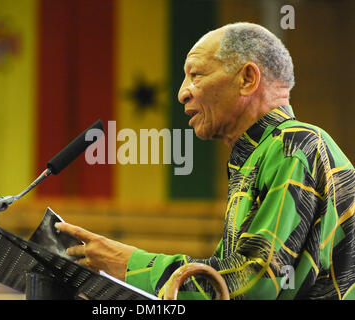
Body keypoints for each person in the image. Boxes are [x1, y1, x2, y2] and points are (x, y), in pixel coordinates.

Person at [55, 22, 355, 300]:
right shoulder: (258, 155)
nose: (182, 93)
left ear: (247, 79)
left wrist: (130, 265)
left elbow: (255, 282)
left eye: (196, 75)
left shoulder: (294, 146)